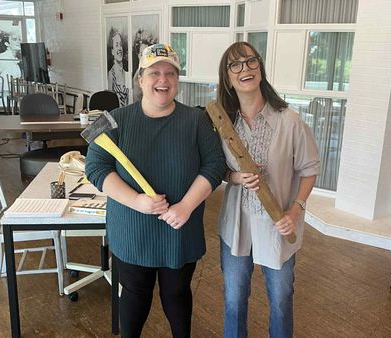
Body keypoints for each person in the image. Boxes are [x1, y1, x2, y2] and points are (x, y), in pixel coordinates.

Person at [85, 43, 226, 338]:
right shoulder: (116, 120)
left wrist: (186, 205)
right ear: (140, 79)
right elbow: (96, 168)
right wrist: (136, 200)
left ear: (177, 79)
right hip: (132, 229)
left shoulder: (196, 121)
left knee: (176, 294)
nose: (163, 80)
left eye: (170, 73)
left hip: (179, 228)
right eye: (154, 73)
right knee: (135, 294)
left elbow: (214, 166)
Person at [216, 41, 320, 338]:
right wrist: (236, 178)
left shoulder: (290, 121)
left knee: (281, 301)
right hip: (236, 226)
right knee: (234, 301)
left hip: (278, 225)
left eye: (250, 61)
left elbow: (309, 169)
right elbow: (216, 170)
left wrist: (295, 210)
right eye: (235, 65)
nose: (244, 69)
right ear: (227, 77)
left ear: (260, 68)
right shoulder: (222, 121)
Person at [131, 29, 157, 102]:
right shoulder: (137, 76)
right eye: (142, 54)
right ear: (138, 54)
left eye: (147, 55)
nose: (144, 58)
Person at [107, 28, 129, 106]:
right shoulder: (111, 74)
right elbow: (109, 101)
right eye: (116, 45)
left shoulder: (126, 72)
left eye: (120, 45)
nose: (119, 49)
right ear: (113, 51)